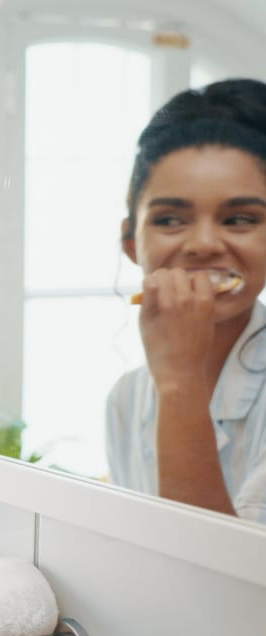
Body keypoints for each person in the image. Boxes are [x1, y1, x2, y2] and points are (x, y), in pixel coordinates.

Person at [107, 78, 266, 524]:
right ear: (130, 243)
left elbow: (222, 587)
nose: (202, 244)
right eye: (171, 219)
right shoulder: (125, 398)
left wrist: (180, 384)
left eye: (239, 218)